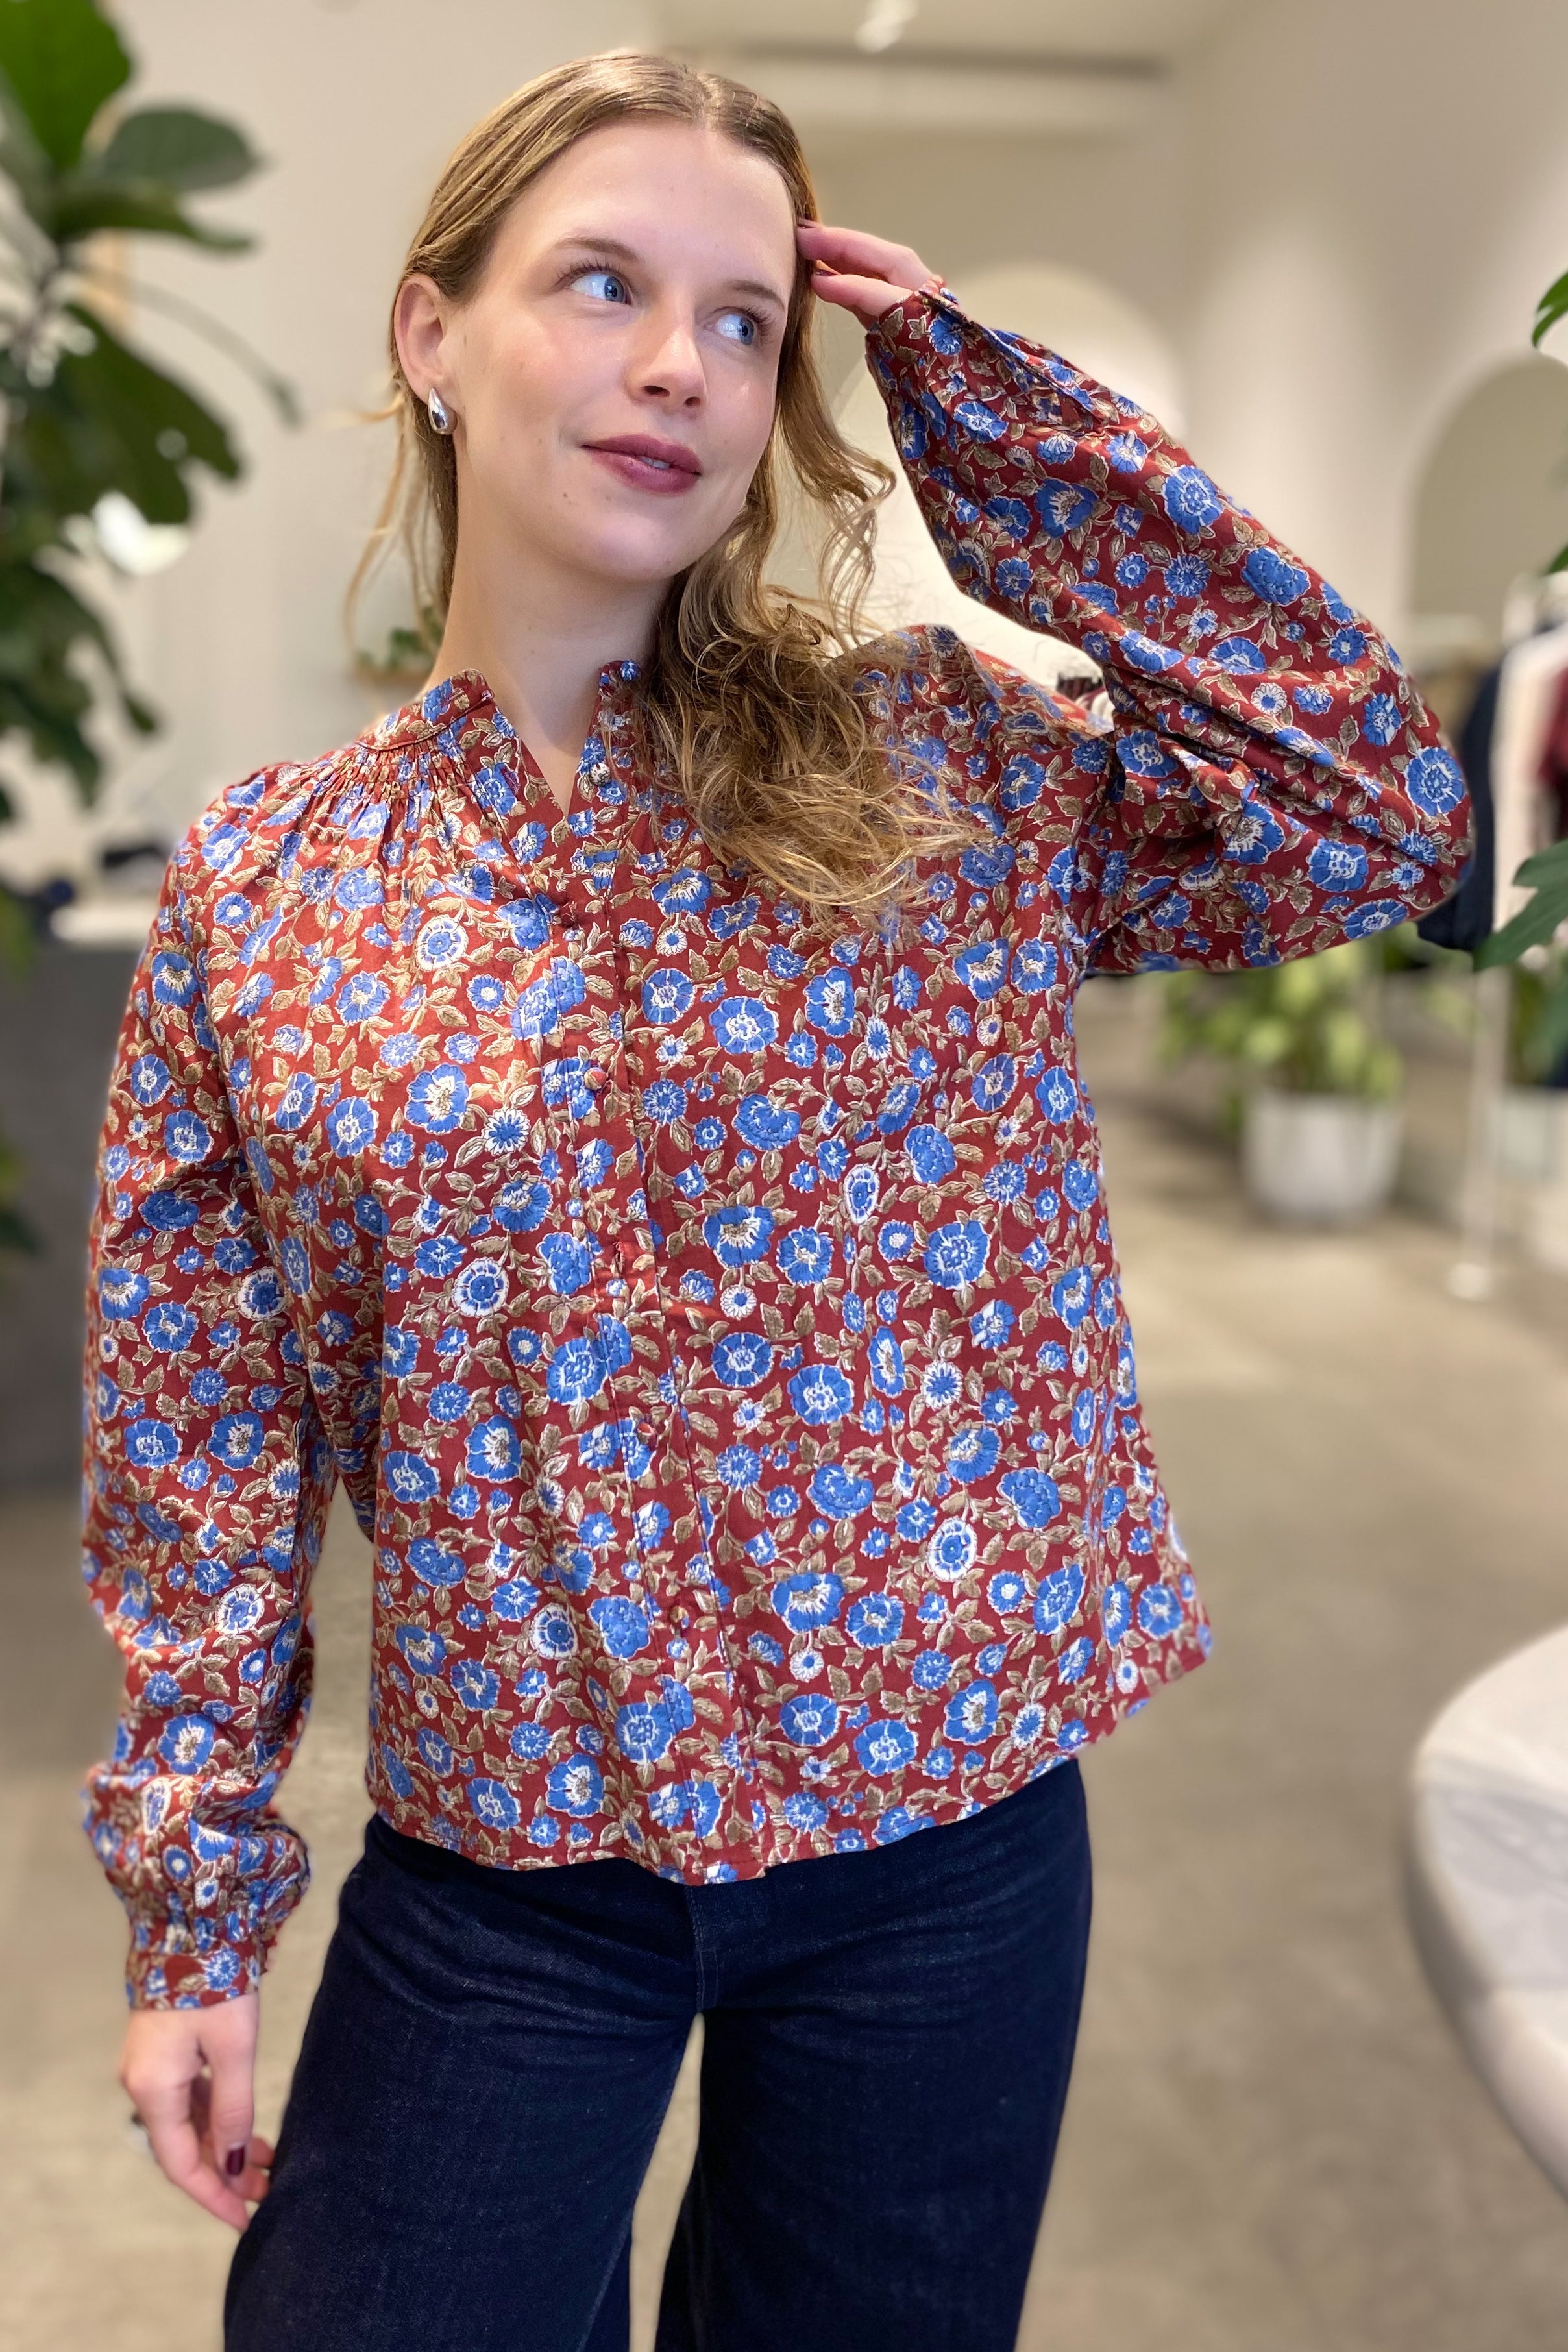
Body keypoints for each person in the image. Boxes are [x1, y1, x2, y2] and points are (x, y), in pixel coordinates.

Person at [80, 49, 1469, 2352]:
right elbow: (199, 1446)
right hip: (509, 1869)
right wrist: (194, 1921)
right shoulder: (268, 889)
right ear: (432, 334)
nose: (679, 367)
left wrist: (985, 418)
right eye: (601, 284)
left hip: (945, 1844)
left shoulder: (934, 769)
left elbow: (1375, 805)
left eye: (745, 320)